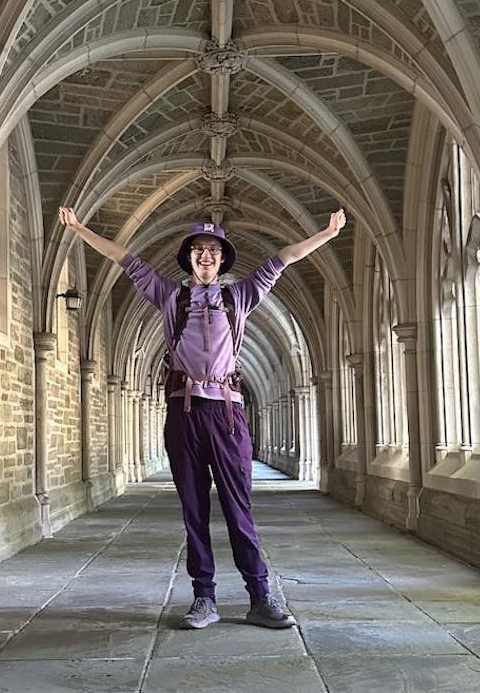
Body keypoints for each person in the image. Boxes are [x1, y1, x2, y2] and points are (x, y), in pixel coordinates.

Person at [58, 206, 347, 629]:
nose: (205, 255)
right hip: (183, 410)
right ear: (189, 257)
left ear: (223, 257)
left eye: (212, 249)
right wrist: (80, 229)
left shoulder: (240, 296)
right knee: (194, 510)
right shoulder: (170, 296)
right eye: (198, 249)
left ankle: (259, 594)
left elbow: (283, 258)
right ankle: (204, 598)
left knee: (238, 508)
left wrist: (326, 233)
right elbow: (125, 259)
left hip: (227, 413)